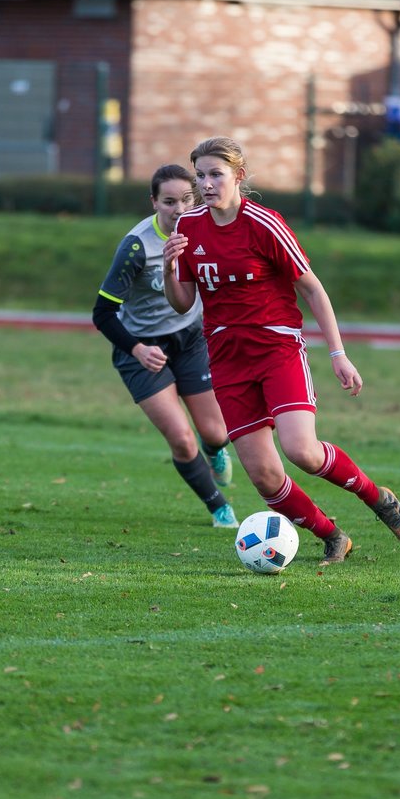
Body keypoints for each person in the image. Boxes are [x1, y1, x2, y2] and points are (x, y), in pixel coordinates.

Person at [162, 136, 400, 564]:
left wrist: (338, 354)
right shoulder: (187, 227)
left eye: (215, 174)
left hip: (276, 348)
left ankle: (380, 499)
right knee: (264, 477)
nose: (206, 184)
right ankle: (332, 536)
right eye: (200, 176)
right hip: (227, 359)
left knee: (301, 450)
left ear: (238, 176)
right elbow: (183, 303)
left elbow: (313, 290)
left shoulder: (264, 223)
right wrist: (169, 268)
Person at [93, 163, 238, 529]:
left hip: (190, 339)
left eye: (187, 199)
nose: (180, 209)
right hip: (142, 350)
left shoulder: (207, 229)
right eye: (170, 201)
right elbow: (103, 313)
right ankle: (219, 507)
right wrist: (138, 349)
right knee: (182, 440)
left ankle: (216, 450)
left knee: (216, 433)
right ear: (154, 203)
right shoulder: (137, 247)